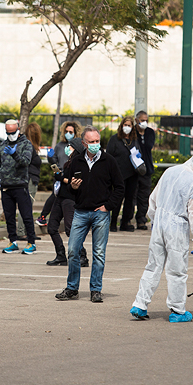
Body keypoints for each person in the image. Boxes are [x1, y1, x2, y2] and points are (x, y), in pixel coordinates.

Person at [129, 148, 193, 323]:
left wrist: (153, 218)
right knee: (177, 270)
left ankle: (140, 304)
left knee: (153, 266)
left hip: (159, 222)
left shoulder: (170, 171)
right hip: (177, 227)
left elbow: (153, 197)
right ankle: (178, 310)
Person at [55, 125, 124, 303]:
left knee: (99, 253)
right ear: (84, 143)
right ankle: (72, 288)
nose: (95, 145)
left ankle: (95, 289)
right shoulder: (77, 162)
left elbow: (120, 187)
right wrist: (73, 187)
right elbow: (69, 189)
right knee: (72, 250)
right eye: (91, 142)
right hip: (80, 212)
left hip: (100, 213)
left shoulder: (109, 161)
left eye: (97, 141)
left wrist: (107, 206)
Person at [0, 119, 37, 254]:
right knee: (9, 217)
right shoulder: (3, 145)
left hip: (20, 185)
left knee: (26, 215)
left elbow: (26, 162)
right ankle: (12, 241)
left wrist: (15, 154)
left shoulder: (26, 144)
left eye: (13, 132)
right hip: (5, 186)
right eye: (8, 132)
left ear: (18, 130)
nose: (11, 135)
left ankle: (31, 242)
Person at [45, 137, 88, 267]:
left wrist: (61, 177)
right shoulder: (69, 162)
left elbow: (75, 182)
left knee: (71, 230)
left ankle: (83, 256)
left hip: (70, 199)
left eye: (70, 146)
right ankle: (60, 256)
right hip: (60, 197)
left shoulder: (80, 163)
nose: (67, 148)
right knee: (52, 227)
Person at [36, 121, 83, 227]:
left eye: (70, 132)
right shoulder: (59, 146)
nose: (68, 134)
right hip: (60, 176)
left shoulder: (78, 147)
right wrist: (51, 160)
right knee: (55, 196)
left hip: (71, 177)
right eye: (66, 131)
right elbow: (54, 163)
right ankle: (43, 217)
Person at [106, 116, 141, 232]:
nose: (127, 127)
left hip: (132, 173)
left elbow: (138, 152)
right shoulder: (114, 139)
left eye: (129, 125)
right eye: (125, 125)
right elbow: (109, 156)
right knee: (117, 198)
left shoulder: (134, 140)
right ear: (121, 126)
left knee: (130, 199)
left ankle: (125, 222)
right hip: (119, 174)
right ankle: (113, 221)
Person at [17, 122, 42, 241]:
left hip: (28, 178)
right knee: (26, 206)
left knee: (27, 206)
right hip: (29, 178)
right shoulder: (29, 146)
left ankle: (27, 231)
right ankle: (22, 231)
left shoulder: (27, 145)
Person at [133, 110, 155, 230]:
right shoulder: (132, 132)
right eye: (142, 120)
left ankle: (141, 220)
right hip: (134, 169)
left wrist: (143, 134)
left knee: (144, 196)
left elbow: (148, 146)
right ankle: (128, 220)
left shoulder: (150, 132)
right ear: (136, 120)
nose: (144, 122)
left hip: (146, 169)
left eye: (146, 120)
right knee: (132, 196)